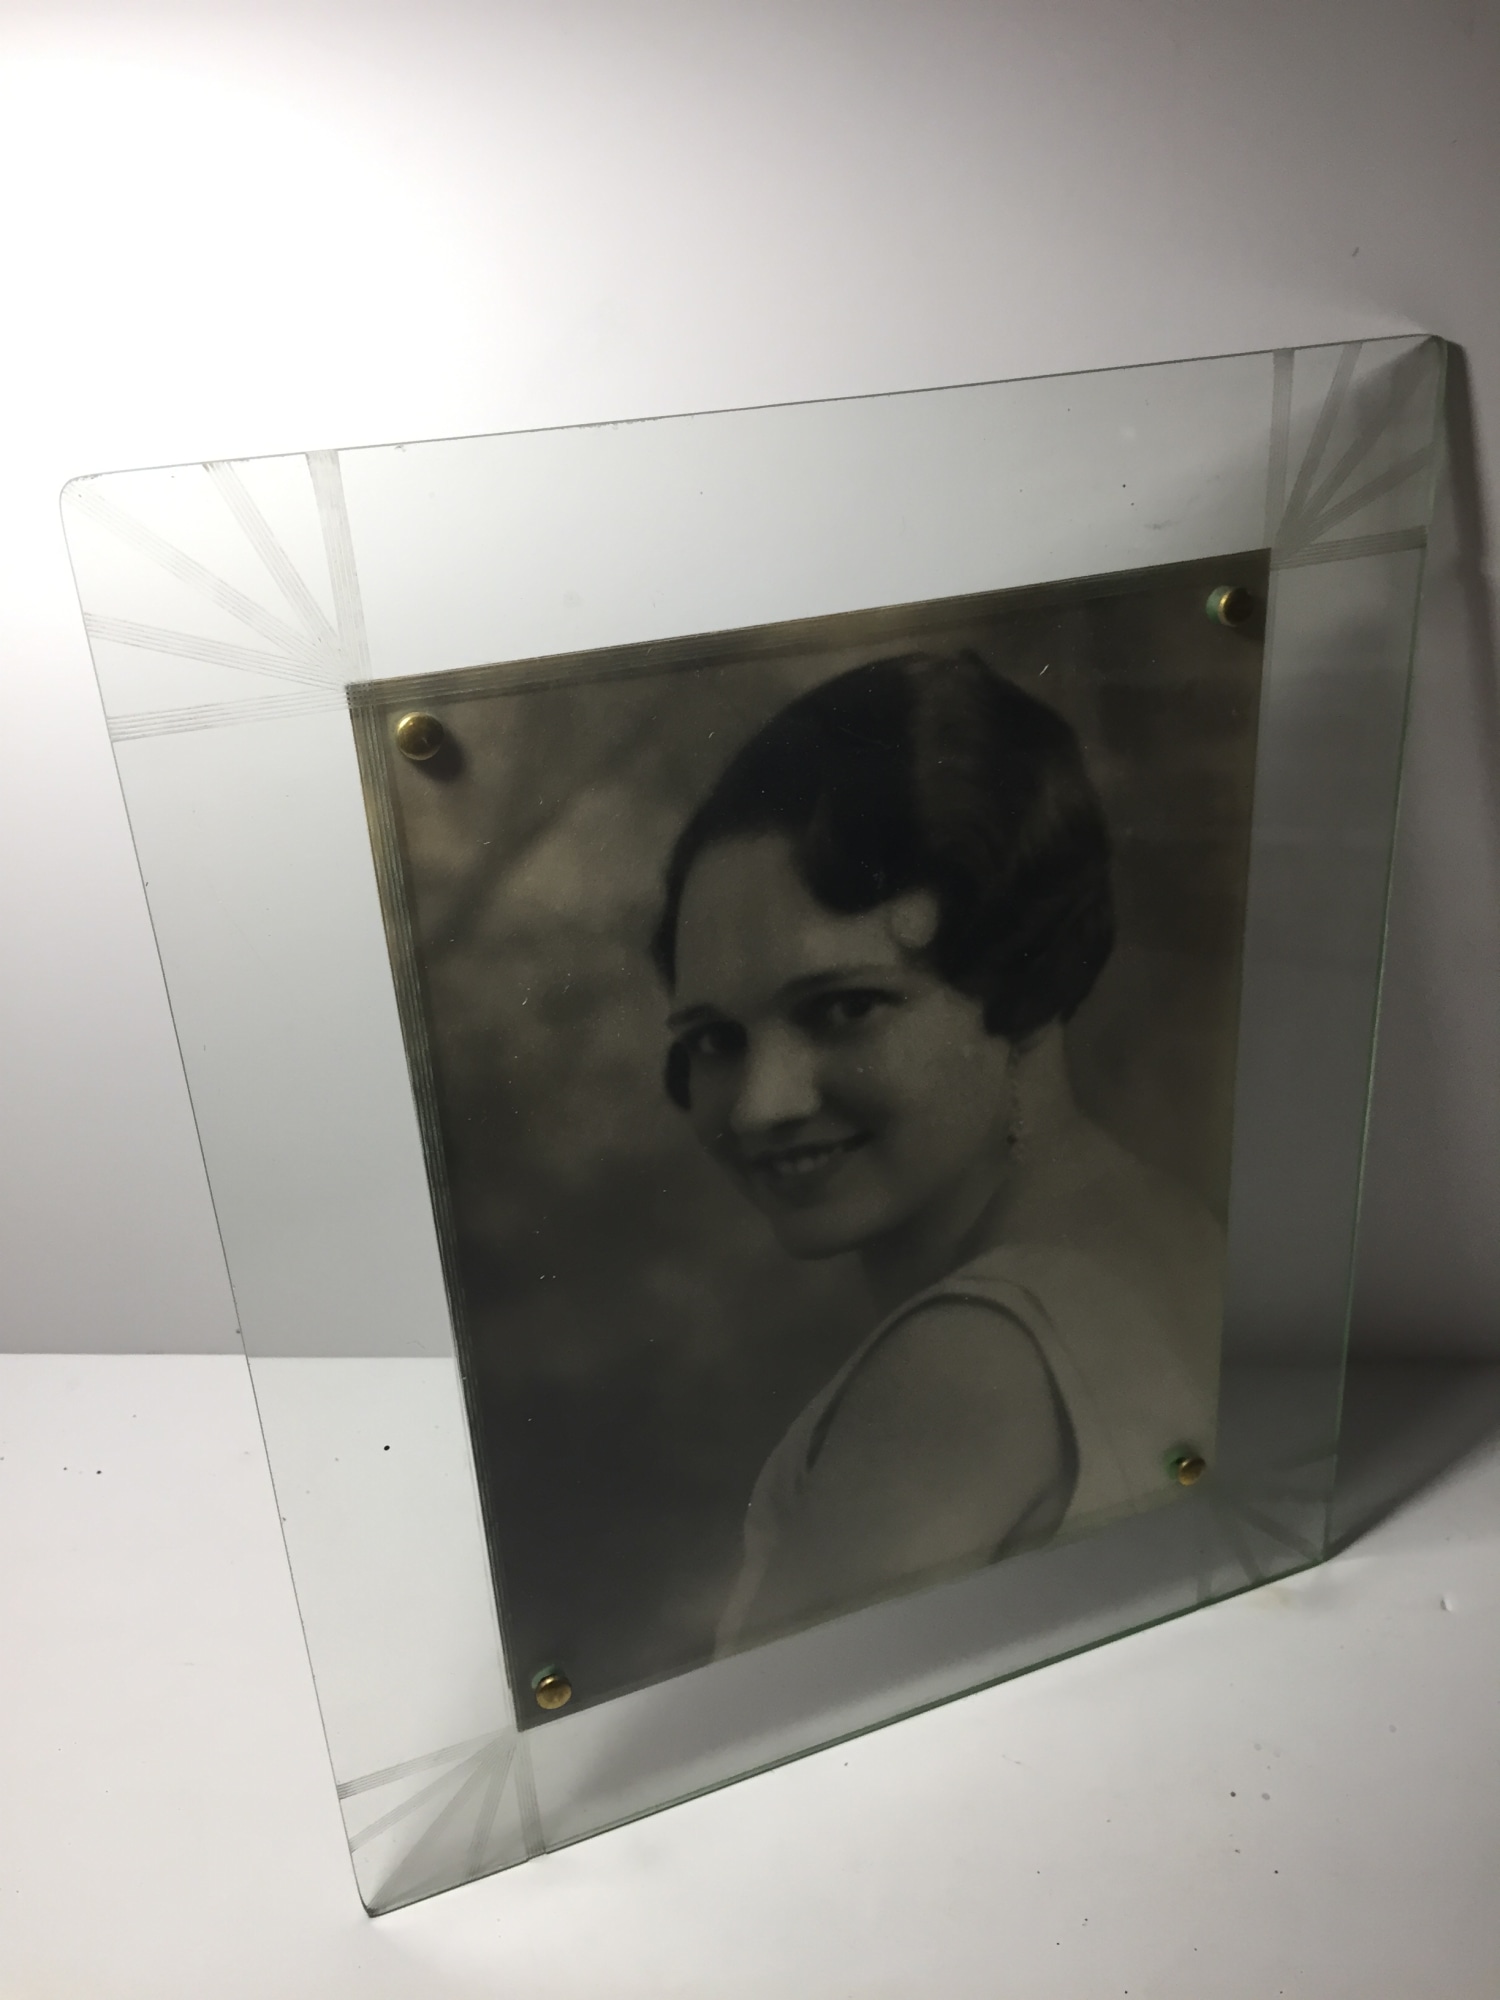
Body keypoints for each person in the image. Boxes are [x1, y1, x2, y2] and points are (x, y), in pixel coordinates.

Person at [650, 651, 1222, 1654]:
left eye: (844, 1008)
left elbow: (789, 1731)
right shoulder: (1176, 1239)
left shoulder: (965, 1365)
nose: (760, 1105)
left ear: (1026, 981)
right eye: (713, 1039)